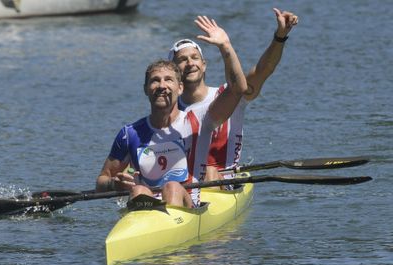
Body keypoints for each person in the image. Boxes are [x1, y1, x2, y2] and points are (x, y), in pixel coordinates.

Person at [96, 16, 248, 207]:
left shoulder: (201, 121)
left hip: (186, 204)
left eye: (168, 80)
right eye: (155, 81)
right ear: (145, 89)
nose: (162, 86)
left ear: (180, 88)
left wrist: (225, 47)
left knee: (172, 187)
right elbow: (101, 181)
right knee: (139, 190)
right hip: (145, 203)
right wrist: (113, 183)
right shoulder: (129, 133)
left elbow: (238, 90)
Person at [168, 8, 299, 182]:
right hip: (182, 183)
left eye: (194, 57)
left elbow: (263, 70)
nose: (190, 63)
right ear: (173, 70)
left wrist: (280, 36)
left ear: (204, 65)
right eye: (183, 60)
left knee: (208, 172)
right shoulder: (169, 110)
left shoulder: (230, 95)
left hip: (223, 182)